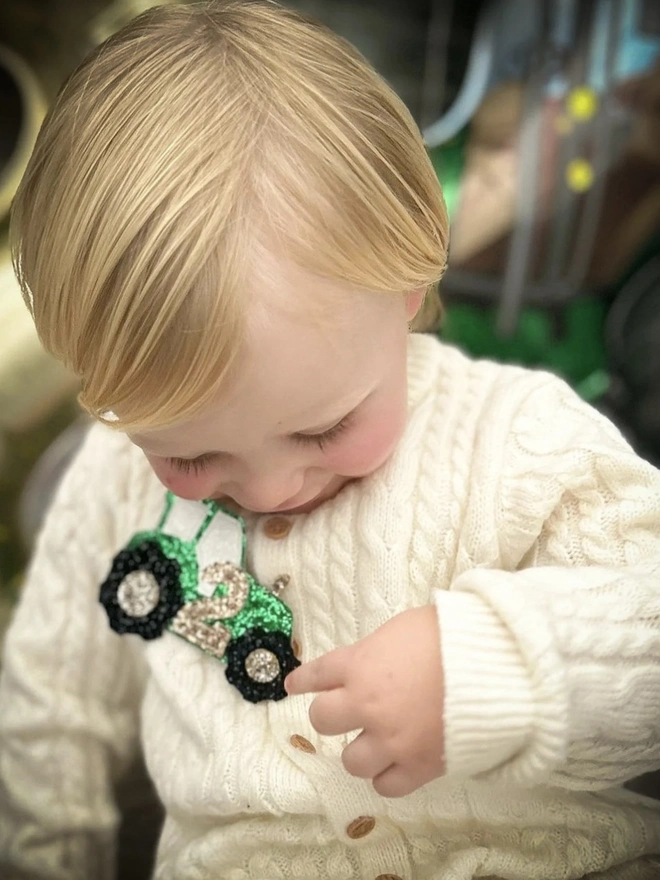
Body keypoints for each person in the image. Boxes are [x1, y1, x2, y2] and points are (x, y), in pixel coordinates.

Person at [1, 2, 660, 878]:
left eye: (324, 426)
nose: (270, 491)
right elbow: (49, 708)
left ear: (410, 282)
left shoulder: (517, 438)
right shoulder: (111, 481)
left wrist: (494, 671)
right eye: (191, 456)